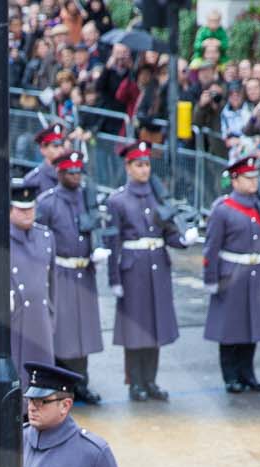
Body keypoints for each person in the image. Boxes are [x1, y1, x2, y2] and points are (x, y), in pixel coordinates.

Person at [201, 154, 260, 394]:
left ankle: (248, 374)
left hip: (257, 273)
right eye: (248, 179)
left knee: (252, 326)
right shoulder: (223, 209)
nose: (254, 183)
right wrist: (211, 277)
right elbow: (212, 247)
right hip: (231, 273)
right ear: (236, 180)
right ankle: (230, 377)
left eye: (255, 178)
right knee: (230, 328)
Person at [105, 141, 181, 401]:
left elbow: (168, 230)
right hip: (133, 268)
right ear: (128, 167)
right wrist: (113, 277)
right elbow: (113, 241)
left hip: (157, 265)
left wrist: (183, 240)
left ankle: (151, 380)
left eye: (147, 164)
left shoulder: (158, 195)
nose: (144, 169)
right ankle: (135, 381)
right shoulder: (117, 200)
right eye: (139, 164)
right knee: (135, 329)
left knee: (156, 325)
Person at [36, 150, 107, 405]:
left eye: (78, 172)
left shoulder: (87, 198)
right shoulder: (47, 202)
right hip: (61, 272)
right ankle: (60, 387)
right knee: (62, 334)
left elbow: (97, 226)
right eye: (70, 172)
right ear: (60, 173)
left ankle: (81, 383)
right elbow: (39, 238)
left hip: (84, 271)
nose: (76, 177)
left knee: (83, 333)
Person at [8, 179, 58, 375]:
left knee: (43, 375)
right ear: (10, 210)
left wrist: (52, 315)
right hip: (13, 319)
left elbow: (53, 282)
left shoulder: (46, 236)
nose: (27, 213)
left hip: (40, 318)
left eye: (30, 208)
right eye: (21, 209)